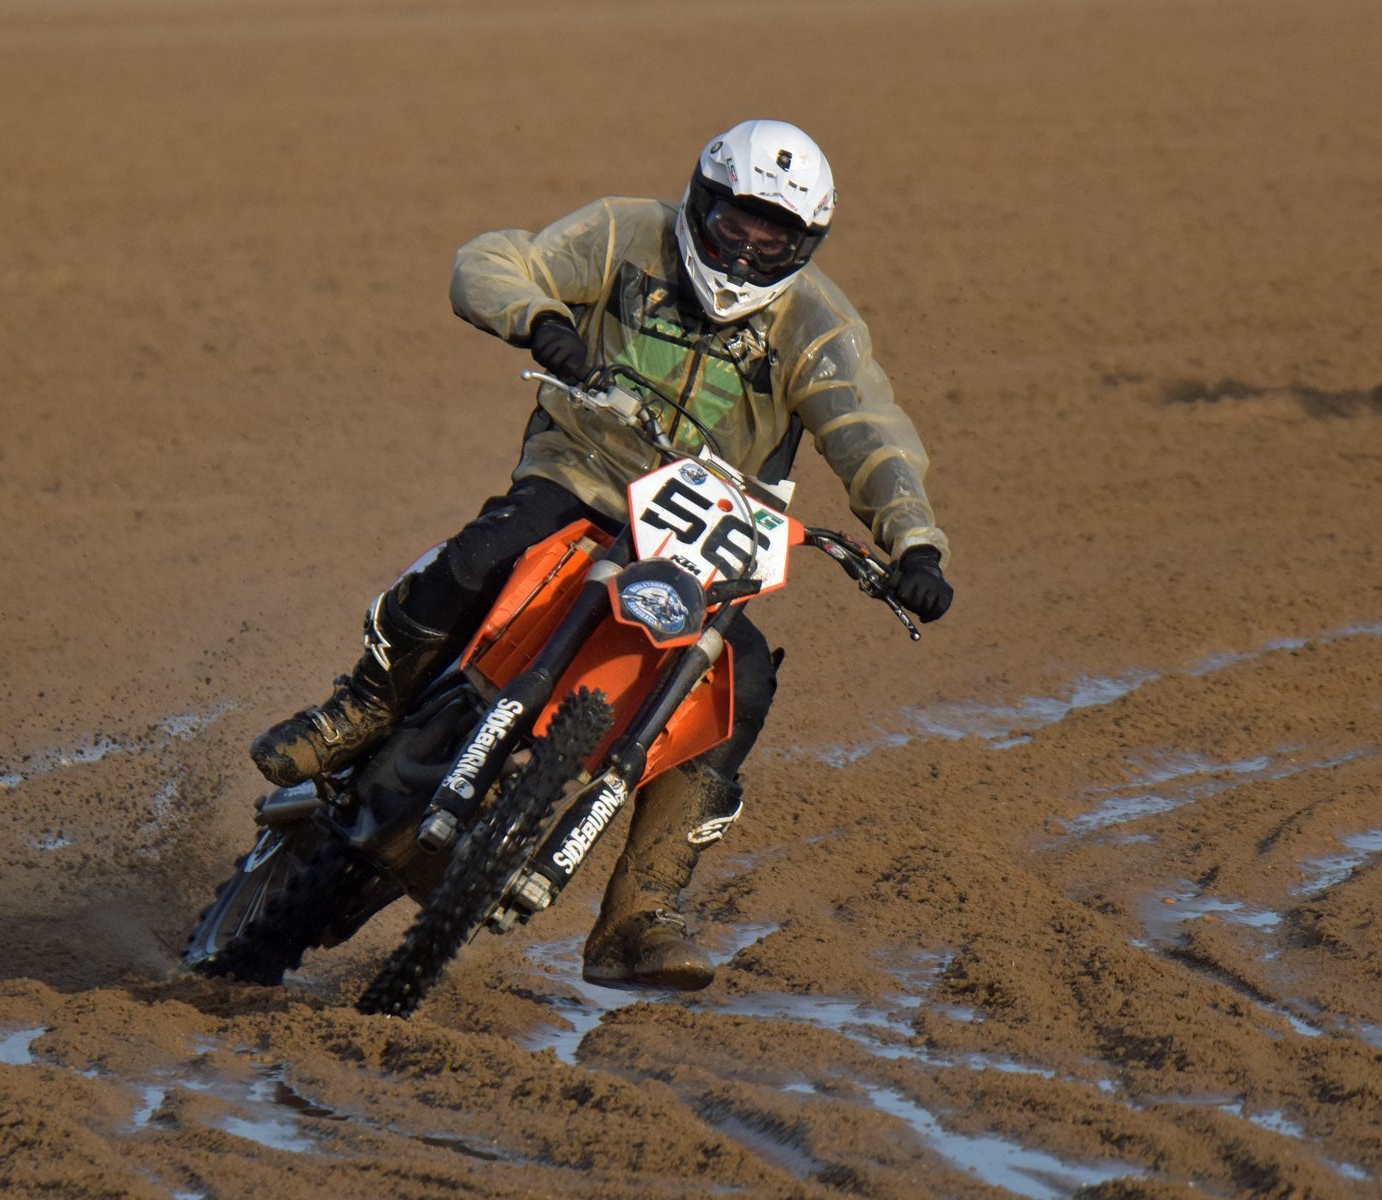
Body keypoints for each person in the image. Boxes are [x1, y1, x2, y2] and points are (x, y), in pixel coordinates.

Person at [249, 119, 954, 990]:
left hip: (707, 529)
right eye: (737, 221)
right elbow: (492, 262)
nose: (749, 247)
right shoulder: (626, 233)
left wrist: (914, 543)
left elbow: (870, 435)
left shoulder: (817, 324)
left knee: (741, 681)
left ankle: (640, 917)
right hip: (583, 473)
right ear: (702, 202)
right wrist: (540, 320)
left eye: (776, 234)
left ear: (805, 242)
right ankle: (356, 709)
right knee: (489, 551)